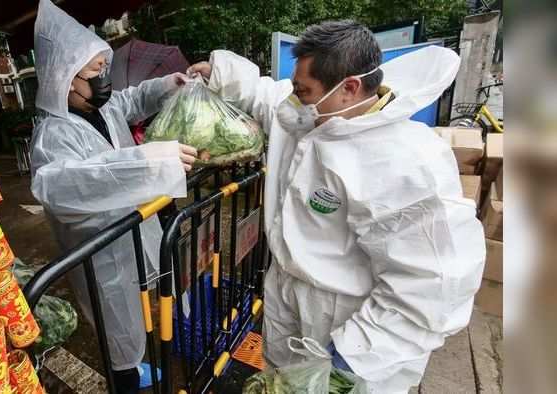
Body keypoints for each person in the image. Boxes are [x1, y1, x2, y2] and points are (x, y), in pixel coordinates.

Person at [188, 20, 485, 393]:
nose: (294, 101)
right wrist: (219, 72)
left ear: (350, 88)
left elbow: (430, 283)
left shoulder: (406, 162)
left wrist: (349, 361)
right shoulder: (313, 117)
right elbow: (270, 96)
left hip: (348, 327)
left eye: (304, 91)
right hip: (289, 298)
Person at [30, 1, 197, 392]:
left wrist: (171, 83)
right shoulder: (54, 134)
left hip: (134, 234)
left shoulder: (101, 109)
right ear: (67, 78)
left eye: (105, 68)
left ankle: (142, 365)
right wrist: (148, 161)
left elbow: (132, 100)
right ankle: (125, 380)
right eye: (94, 72)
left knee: (146, 308)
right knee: (117, 327)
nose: (104, 78)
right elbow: (59, 185)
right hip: (103, 254)